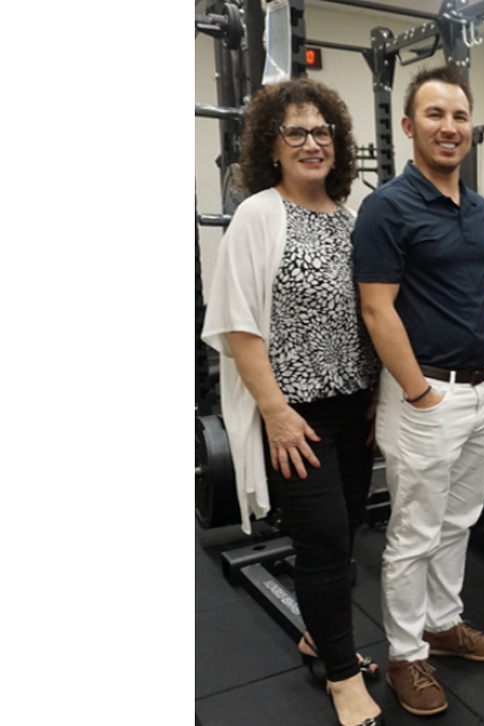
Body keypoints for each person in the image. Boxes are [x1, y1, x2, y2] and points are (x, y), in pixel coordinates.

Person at [201, 79, 383, 726]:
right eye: (296, 133)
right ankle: (341, 676)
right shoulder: (259, 214)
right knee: (325, 540)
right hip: (296, 415)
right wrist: (275, 411)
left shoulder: (349, 214)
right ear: (271, 147)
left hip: (353, 404)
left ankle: (318, 636)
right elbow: (239, 324)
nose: (313, 143)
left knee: (350, 528)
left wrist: (375, 394)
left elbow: (368, 312)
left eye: (323, 131)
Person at [352, 65, 484, 717]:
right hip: (428, 399)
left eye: (459, 116)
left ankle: (445, 625)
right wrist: (418, 392)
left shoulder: (476, 209)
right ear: (410, 126)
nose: (450, 127)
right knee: (414, 532)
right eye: (436, 115)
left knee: (460, 521)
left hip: (483, 390)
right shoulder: (387, 207)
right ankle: (406, 654)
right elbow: (377, 309)